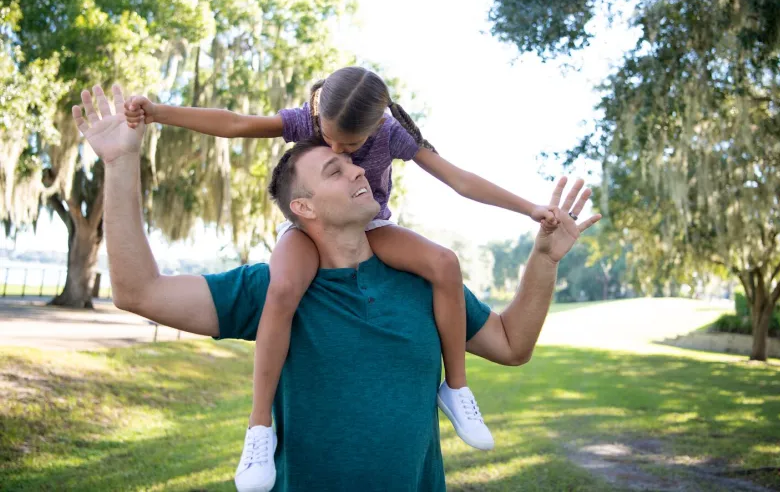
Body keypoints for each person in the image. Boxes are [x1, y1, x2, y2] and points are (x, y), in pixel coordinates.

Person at [75, 83, 600, 492]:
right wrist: (121, 164)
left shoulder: (427, 283)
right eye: (334, 168)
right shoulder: (271, 290)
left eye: (353, 160)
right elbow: (138, 292)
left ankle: (457, 393)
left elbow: (511, 345)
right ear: (302, 207)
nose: (357, 170)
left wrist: (544, 259)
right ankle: (257, 432)